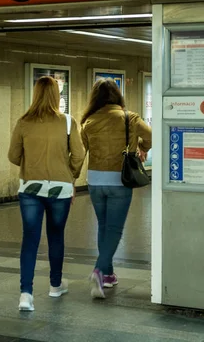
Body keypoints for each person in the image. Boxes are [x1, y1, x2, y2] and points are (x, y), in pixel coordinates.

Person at [8, 75, 86, 311]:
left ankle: (26, 294)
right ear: (56, 95)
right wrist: (69, 174)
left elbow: (13, 156)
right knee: (56, 236)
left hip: (30, 188)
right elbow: (79, 155)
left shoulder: (23, 122)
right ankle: (55, 285)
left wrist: (31, 162)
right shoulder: (67, 122)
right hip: (59, 188)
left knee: (29, 240)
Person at [80, 79, 151, 299]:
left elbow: (85, 147)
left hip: (95, 180)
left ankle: (108, 274)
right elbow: (150, 135)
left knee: (104, 226)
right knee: (114, 229)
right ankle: (99, 270)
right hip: (119, 179)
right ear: (117, 95)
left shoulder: (88, 121)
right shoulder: (130, 118)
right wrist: (141, 148)